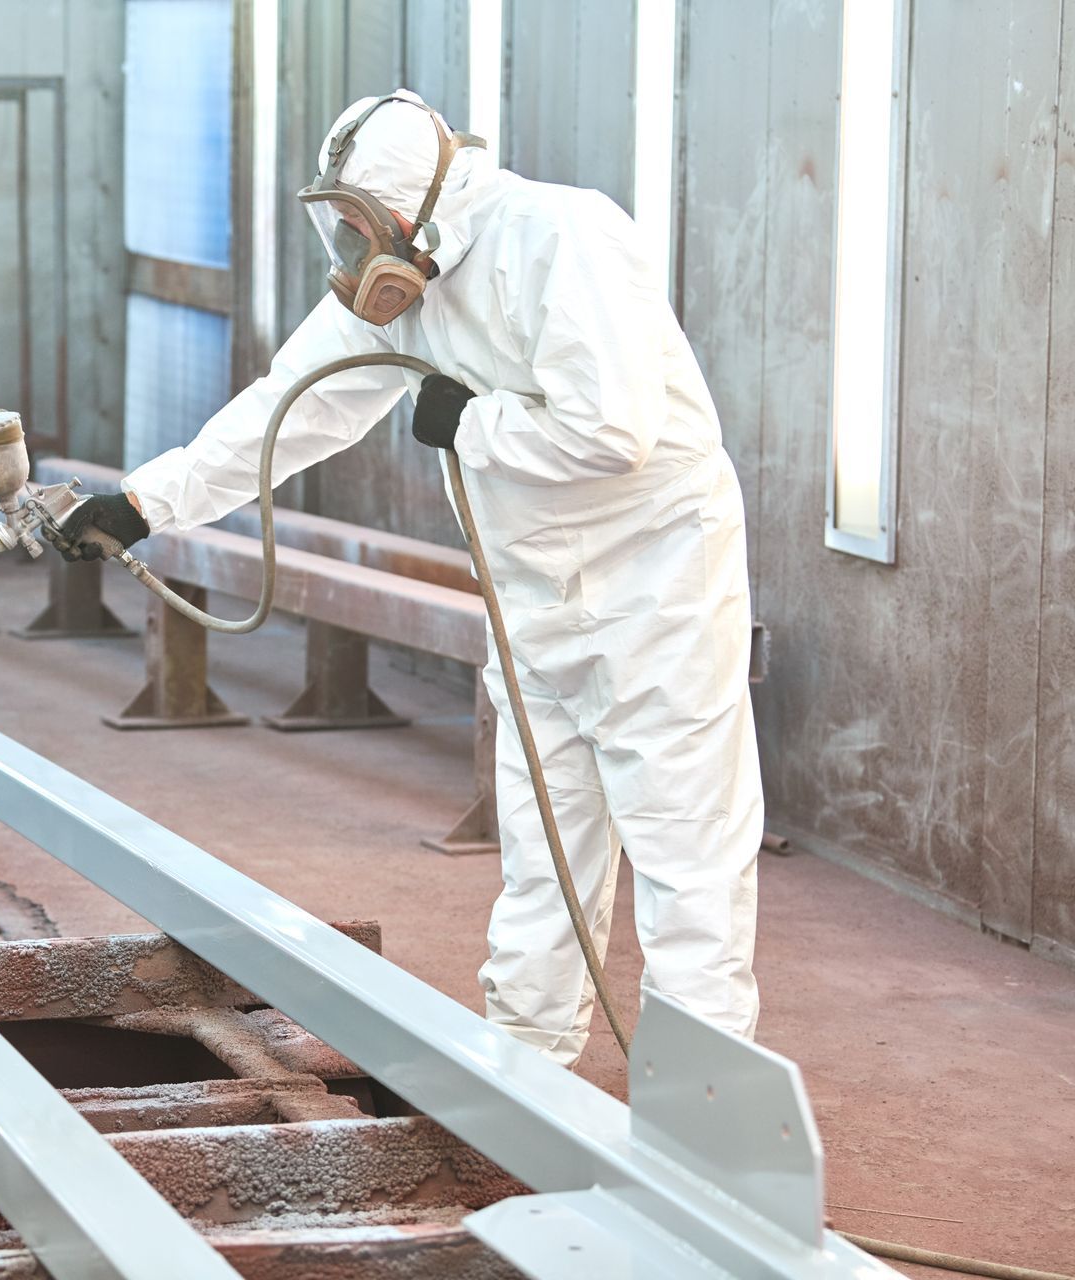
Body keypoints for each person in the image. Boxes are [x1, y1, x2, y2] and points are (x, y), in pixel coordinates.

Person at [54, 90, 761, 1066]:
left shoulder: (560, 236)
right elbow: (287, 408)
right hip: (534, 607)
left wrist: (469, 423)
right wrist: (144, 502)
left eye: (355, 227)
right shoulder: (401, 291)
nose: (347, 254)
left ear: (411, 213)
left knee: (687, 861)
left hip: (658, 595)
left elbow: (616, 430)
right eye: (336, 229)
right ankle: (527, 1062)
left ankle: (711, 1111)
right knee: (543, 850)